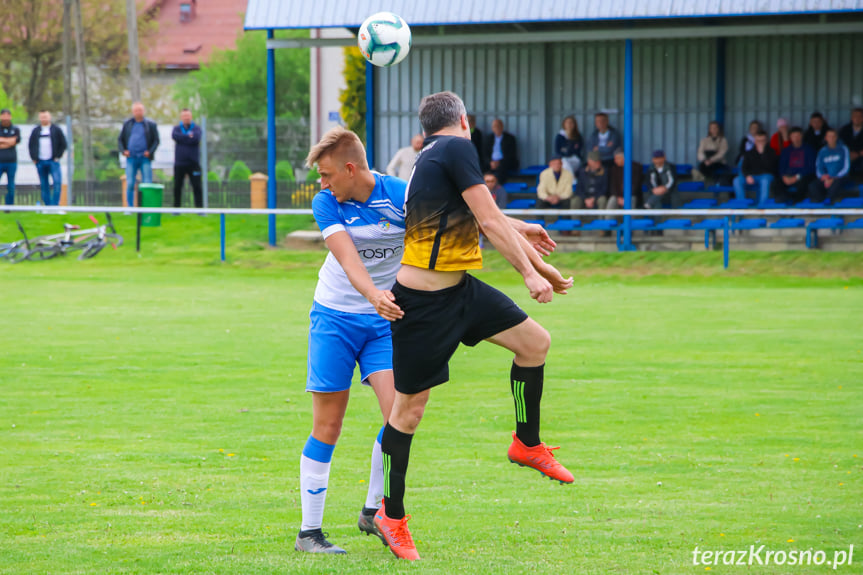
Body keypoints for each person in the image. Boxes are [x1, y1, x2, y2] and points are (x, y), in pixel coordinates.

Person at [374, 91, 574, 561]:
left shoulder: (430, 155)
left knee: (534, 343)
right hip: (422, 306)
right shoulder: (458, 148)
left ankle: (527, 444)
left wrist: (522, 232)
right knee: (406, 414)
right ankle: (391, 515)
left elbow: (475, 216)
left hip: (460, 291)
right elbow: (485, 216)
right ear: (465, 121)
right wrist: (531, 273)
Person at [295, 126, 407, 554]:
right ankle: (310, 533)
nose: (321, 184)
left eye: (326, 174)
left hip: (382, 322)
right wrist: (375, 294)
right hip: (335, 319)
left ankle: (372, 511)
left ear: (350, 168)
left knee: (398, 415)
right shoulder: (327, 203)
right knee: (328, 425)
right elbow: (347, 257)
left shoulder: (400, 195)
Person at [118, 102, 159, 208]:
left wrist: (150, 151)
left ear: (143, 111)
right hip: (131, 158)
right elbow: (120, 140)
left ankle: (147, 207)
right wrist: (124, 151)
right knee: (130, 183)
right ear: (133, 112)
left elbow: (156, 140)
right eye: (136, 110)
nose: (138, 112)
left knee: (147, 183)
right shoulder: (127, 124)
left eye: (140, 110)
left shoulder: (150, 125)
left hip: (145, 159)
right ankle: (130, 208)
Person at [28, 110, 67, 206]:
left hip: (53, 161)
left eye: (45, 116)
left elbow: (63, 144)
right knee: (44, 185)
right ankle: (47, 205)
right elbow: (31, 145)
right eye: (42, 117)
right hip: (40, 162)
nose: (44, 118)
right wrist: (34, 158)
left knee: (57, 183)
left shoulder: (56, 130)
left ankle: (55, 206)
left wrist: (57, 156)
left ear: (49, 117)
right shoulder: (36, 131)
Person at [774, 127, 816, 204]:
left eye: (798, 136)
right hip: (788, 176)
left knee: (804, 183)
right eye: (794, 136)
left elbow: (811, 168)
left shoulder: (809, 150)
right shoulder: (786, 151)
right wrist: (784, 177)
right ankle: (782, 203)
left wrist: (796, 177)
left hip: (802, 176)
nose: (796, 138)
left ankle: (797, 203)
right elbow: (781, 167)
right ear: (790, 137)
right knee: (776, 183)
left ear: (802, 136)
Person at [171, 108, 203, 209]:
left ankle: (199, 210)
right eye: (184, 116)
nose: (186, 118)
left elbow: (196, 138)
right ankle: (176, 209)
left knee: (197, 186)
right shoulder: (176, 129)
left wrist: (183, 138)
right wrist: (188, 136)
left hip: (194, 163)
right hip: (180, 163)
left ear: (191, 116)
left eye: (188, 116)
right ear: (181, 117)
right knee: (177, 187)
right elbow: (175, 137)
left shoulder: (197, 128)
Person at [734, 131, 777, 204]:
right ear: (754, 141)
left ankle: (762, 206)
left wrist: (763, 153)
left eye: (762, 141)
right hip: (752, 176)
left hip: (765, 176)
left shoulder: (771, 152)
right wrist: (747, 176)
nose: (760, 143)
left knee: (765, 181)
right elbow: (744, 167)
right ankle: (741, 204)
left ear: (766, 141)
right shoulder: (749, 153)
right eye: (758, 141)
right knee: (737, 180)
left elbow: (770, 168)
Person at [809, 128, 850, 203]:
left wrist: (834, 177)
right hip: (826, 177)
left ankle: (829, 203)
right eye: (829, 136)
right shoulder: (822, 151)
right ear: (826, 138)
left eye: (833, 136)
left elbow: (846, 167)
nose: (831, 138)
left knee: (835, 184)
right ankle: (820, 204)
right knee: (813, 185)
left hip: (840, 177)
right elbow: (819, 167)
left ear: (836, 137)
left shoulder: (843, 149)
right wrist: (824, 177)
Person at [536, 155, 574, 224]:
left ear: (562, 164)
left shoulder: (568, 174)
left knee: (567, 202)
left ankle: (565, 228)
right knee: (540, 202)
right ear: (550, 164)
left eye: (559, 163)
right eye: (554, 163)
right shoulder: (544, 174)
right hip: (548, 198)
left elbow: (568, 191)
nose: (557, 165)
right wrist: (548, 198)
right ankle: (539, 226)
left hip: (561, 198)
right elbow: (541, 190)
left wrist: (558, 197)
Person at [482, 118, 518, 183]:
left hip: (504, 163)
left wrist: (499, 162)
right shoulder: (489, 138)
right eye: (494, 126)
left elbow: (511, 154)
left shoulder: (510, 138)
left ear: (502, 127)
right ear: (492, 128)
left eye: (498, 126)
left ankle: (498, 187)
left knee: (502, 169)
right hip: (491, 163)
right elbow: (485, 153)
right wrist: (490, 162)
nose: (496, 128)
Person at [0, 108, 21, 206]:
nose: (5, 118)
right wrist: (9, 141)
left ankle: (9, 206)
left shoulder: (15, 129)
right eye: (3, 115)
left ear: (10, 117)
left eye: (7, 115)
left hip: (11, 162)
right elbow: (12, 142)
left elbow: (15, 141)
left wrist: (2, 141)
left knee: (11, 185)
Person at [838, 108, 863, 174]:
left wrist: (858, 154)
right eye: (855, 116)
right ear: (851, 118)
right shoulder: (845, 130)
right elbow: (839, 144)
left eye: (860, 116)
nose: (857, 118)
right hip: (847, 155)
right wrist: (848, 153)